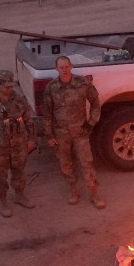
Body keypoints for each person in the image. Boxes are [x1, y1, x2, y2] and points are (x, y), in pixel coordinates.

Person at [43, 55, 104, 208]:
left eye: (66, 67)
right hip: (61, 134)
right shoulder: (51, 88)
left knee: (86, 164)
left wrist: (91, 123)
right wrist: (49, 135)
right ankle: (74, 191)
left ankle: (94, 194)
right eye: (61, 68)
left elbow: (96, 103)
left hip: (80, 132)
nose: (64, 70)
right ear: (56, 69)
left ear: (71, 66)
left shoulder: (82, 83)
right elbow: (47, 113)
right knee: (66, 165)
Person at [0, 69, 37, 217]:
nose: (9, 88)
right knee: (0, 176)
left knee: (19, 172)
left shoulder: (19, 100)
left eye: (11, 85)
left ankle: (19, 195)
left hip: (18, 146)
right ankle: (2, 200)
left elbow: (29, 120)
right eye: (6, 86)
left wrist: (31, 139)